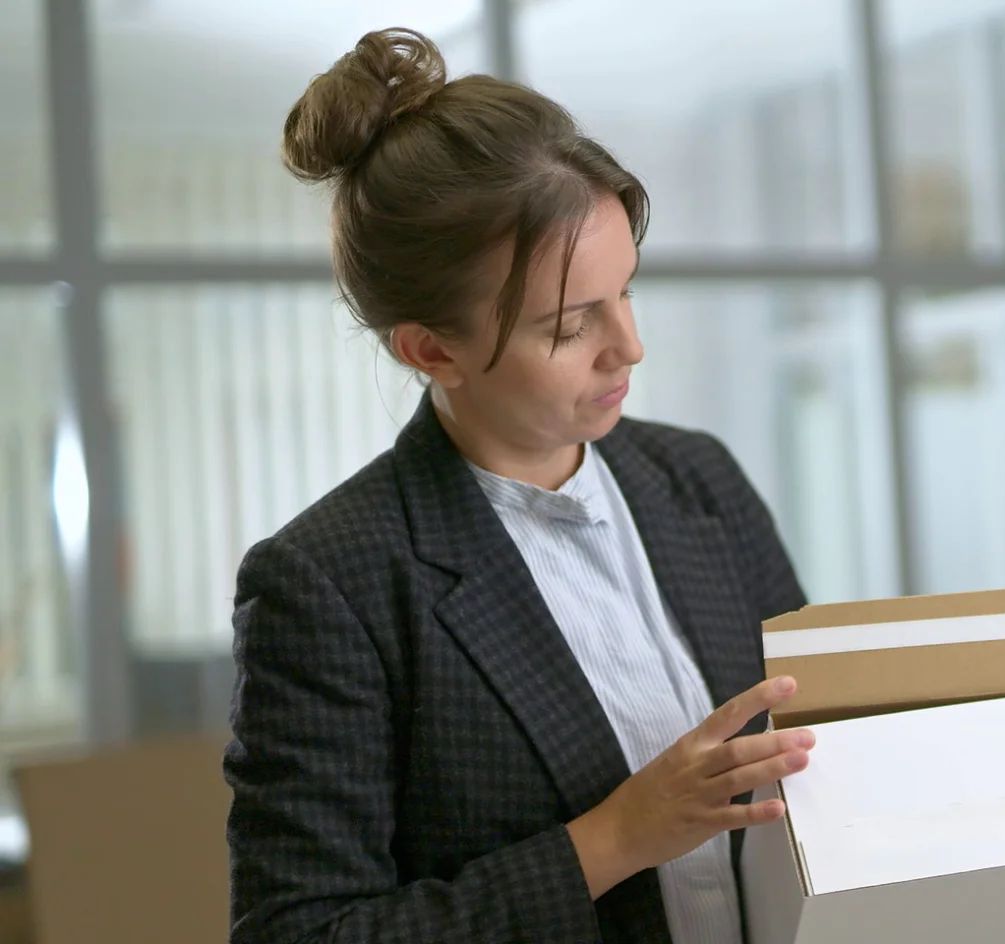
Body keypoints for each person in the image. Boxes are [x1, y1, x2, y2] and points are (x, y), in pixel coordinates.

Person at [223, 28, 813, 944]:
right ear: (430, 348)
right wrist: (613, 838)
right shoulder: (329, 583)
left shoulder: (700, 479)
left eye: (628, 292)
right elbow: (300, 933)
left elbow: (819, 752)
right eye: (574, 324)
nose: (629, 346)